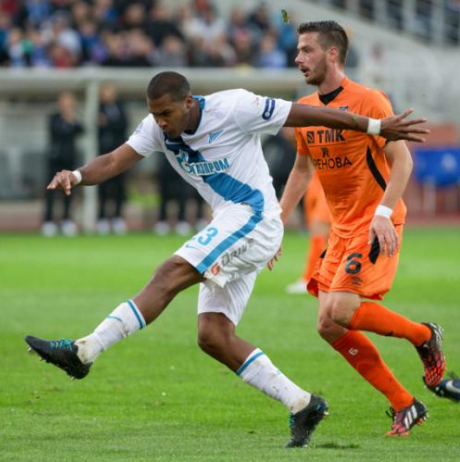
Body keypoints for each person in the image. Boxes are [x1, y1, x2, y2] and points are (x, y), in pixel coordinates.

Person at [25, 70, 427, 448]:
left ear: (188, 102)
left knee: (170, 272)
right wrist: (76, 176)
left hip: (253, 219)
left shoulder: (235, 107)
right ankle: (303, 404)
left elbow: (305, 113)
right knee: (213, 336)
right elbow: (114, 161)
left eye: (166, 113)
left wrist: (374, 127)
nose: (160, 122)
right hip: (234, 225)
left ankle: (85, 352)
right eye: (154, 114)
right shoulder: (156, 128)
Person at [269, 21, 446, 436]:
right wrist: (278, 220)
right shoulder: (307, 107)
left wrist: (383, 214)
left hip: (375, 218)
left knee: (342, 310)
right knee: (328, 325)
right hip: (341, 226)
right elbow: (301, 168)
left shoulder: (368, 100)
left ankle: (423, 336)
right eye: (298, 50)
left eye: (307, 50)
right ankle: (405, 404)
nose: (298, 58)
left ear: (333, 54)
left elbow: (403, 162)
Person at [41, 91, 84, 237]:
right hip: (55, 160)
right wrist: (67, 122)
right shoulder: (54, 118)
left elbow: (81, 130)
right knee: (51, 191)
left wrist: (71, 120)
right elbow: (57, 131)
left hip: (69, 160)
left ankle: (66, 220)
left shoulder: (74, 118)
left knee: (69, 191)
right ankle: (48, 221)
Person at [285, 172, 331, 294]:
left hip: (333, 175)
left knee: (320, 226)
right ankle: (322, 276)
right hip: (315, 175)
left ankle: (311, 278)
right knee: (316, 228)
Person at [96, 84, 129, 235]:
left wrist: (108, 122)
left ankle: (117, 218)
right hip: (103, 154)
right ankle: (102, 218)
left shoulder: (121, 108)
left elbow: (123, 125)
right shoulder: (97, 108)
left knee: (119, 188)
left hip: (120, 155)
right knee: (103, 187)